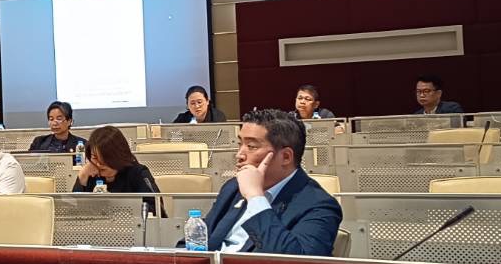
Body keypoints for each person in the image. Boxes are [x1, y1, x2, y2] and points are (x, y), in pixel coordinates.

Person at [194, 109, 341, 254]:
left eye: (251, 146)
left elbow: (297, 263)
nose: (239, 155)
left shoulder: (319, 206)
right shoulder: (233, 187)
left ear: (286, 157)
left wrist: (255, 198)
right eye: (240, 144)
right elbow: (197, 241)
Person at [72, 125, 160, 214]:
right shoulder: (90, 174)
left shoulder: (138, 172)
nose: (99, 164)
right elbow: (73, 212)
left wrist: (115, 204)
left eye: (104, 157)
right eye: (95, 157)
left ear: (118, 155)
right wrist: (82, 177)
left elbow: (156, 209)